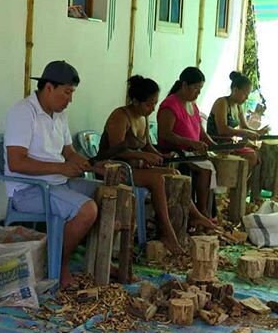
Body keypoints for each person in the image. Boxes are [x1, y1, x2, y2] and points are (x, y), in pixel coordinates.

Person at [4, 60, 101, 289]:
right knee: (87, 210)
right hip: (29, 190)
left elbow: (68, 152)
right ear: (49, 87)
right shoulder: (22, 112)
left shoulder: (59, 115)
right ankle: (60, 266)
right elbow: (16, 162)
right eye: (67, 92)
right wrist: (60, 168)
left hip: (56, 183)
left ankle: (98, 261)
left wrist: (93, 166)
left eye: (72, 92)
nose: (70, 99)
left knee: (106, 193)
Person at [97, 76, 216, 253]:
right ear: (136, 101)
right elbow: (116, 151)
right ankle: (167, 232)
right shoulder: (120, 116)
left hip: (134, 167)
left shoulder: (142, 118)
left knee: (174, 174)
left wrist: (159, 156)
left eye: (154, 103)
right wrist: (143, 156)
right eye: (149, 104)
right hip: (115, 169)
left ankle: (196, 216)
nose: (152, 109)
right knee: (158, 180)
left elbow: (146, 145)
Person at [157, 67, 217, 216]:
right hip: (174, 151)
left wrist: (214, 145)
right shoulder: (170, 105)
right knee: (205, 169)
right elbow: (165, 134)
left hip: (190, 151)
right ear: (184, 85)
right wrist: (190, 142)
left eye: (200, 88)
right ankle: (200, 211)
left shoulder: (192, 105)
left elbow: (200, 131)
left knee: (212, 164)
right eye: (196, 88)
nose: (198, 93)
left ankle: (209, 211)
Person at [206, 71, 269, 170]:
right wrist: (246, 133)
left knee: (257, 149)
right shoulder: (222, 103)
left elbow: (244, 127)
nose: (247, 98)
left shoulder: (238, 106)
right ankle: (240, 183)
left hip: (228, 143)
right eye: (245, 94)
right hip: (216, 144)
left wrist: (258, 132)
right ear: (235, 90)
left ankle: (244, 181)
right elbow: (222, 129)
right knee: (251, 156)